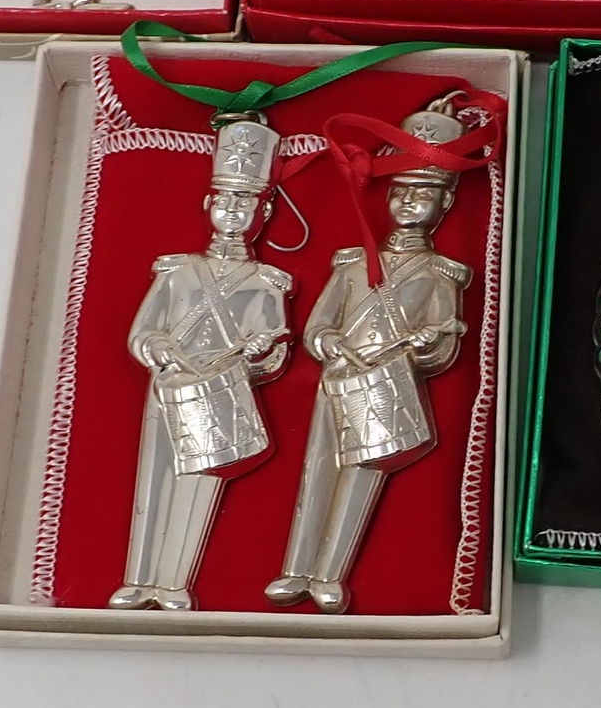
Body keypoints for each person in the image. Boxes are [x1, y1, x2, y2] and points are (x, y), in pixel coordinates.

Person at [265, 96, 472, 614]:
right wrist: (329, 343)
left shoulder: (441, 275)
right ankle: (295, 569)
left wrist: (426, 346)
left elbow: (444, 343)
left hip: (389, 381)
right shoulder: (354, 262)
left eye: (423, 195)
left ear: (444, 203)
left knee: (365, 471)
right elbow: (319, 324)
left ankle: (329, 574)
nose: (409, 203)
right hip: (339, 377)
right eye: (401, 192)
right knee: (317, 468)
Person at [109, 116, 293, 613]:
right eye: (226, 200)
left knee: (202, 481)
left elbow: (276, 348)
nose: (234, 211)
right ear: (208, 204)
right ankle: (139, 578)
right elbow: (143, 332)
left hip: (222, 388)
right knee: (155, 478)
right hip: (169, 385)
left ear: (265, 210)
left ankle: (173, 582)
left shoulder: (267, 283)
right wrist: (160, 350)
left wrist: (259, 351)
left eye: (246, 202)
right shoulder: (177, 271)